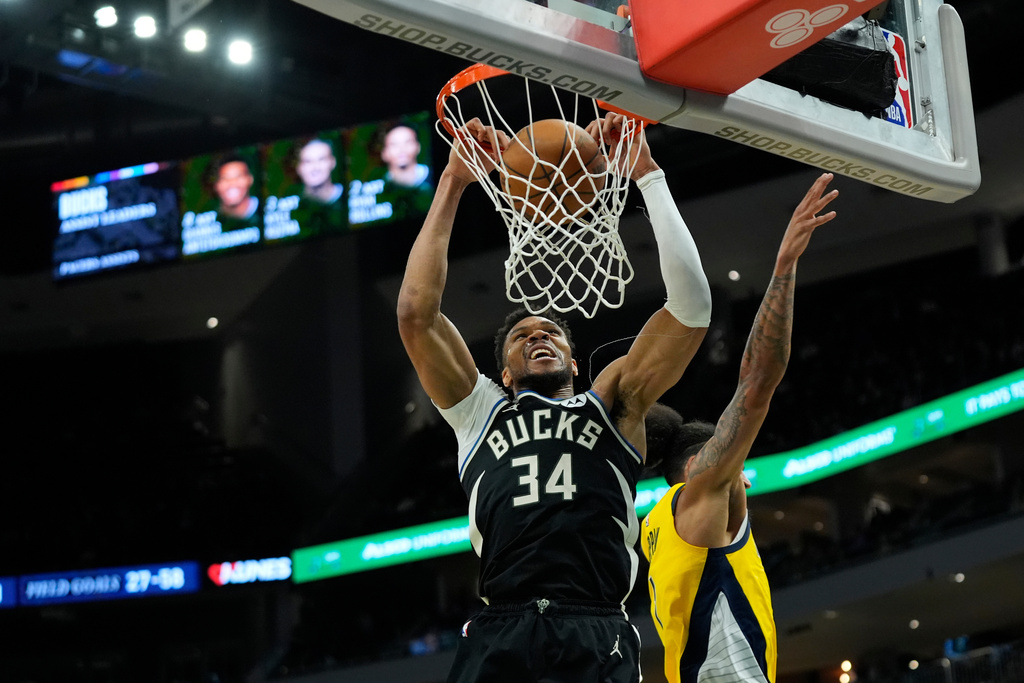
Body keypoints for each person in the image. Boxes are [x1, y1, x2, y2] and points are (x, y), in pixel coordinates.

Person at [397, 112, 713, 683]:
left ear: (573, 361)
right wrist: (452, 184)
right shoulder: (479, 412)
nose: (537, 335)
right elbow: (416, 316)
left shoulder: (614, 401)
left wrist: (648, 175)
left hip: (595, 625)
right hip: (503, 627)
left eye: (551, 334)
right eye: (522, 336)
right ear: (504, 371)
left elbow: (691, 311)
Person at [641, 173, 839, 683]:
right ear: (698, 464)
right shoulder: (703, 489)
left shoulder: (653, 529)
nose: (741, 471)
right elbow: (755, 386)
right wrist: (784, 267)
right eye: (733, 461)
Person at [380, 124, 431, 189]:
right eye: (394, 144)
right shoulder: (378, 187)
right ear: (384, 153)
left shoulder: (438, 178)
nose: (402, 149)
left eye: (408, 142)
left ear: (418, 147)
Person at [296, 138, 344, 205]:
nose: (315, 167)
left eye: (321, 159)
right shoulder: (292, 203)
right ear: (299, 168)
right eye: (308, 161)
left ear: (333, 162)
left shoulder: (348, 194)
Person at [214, 155, 259, 222]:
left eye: (238, 177)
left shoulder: (266, 208)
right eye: (225, 178)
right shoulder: (211, 219)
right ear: (217, 185)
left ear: (250, 180)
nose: (232, 183)